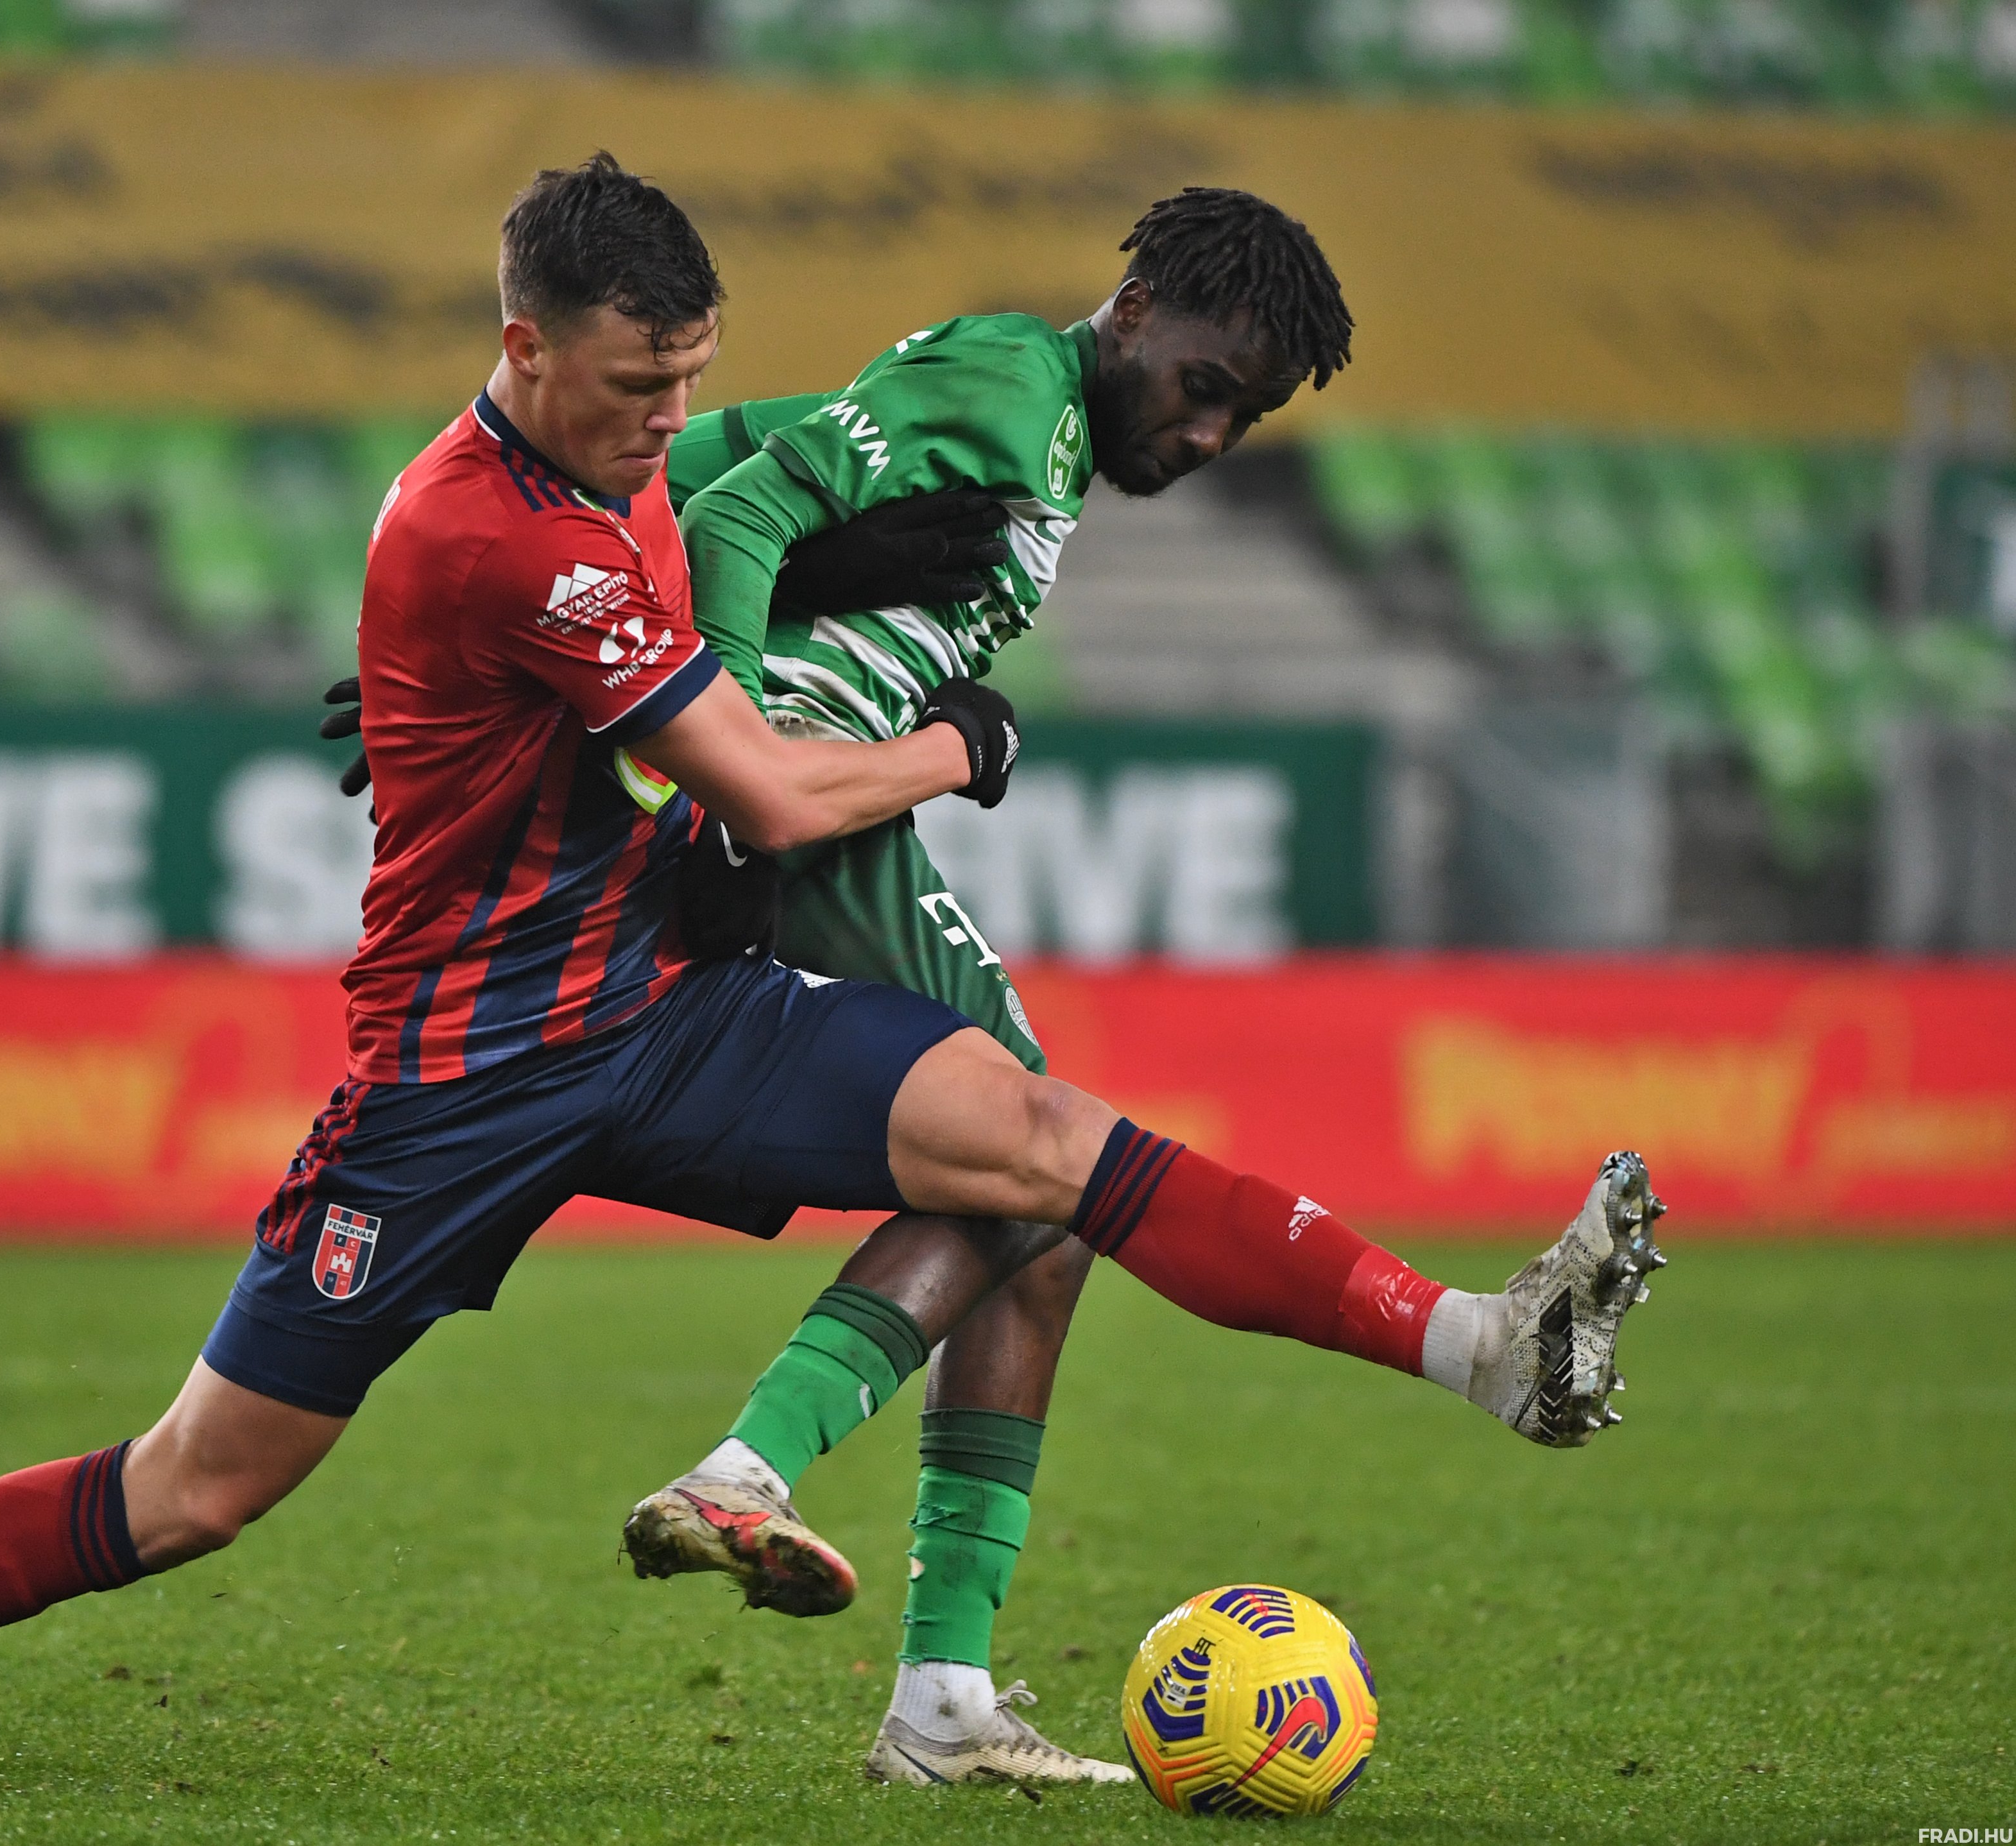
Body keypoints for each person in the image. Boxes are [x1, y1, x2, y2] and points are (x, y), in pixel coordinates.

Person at [0, 155, 1653, 1782]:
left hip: (661, 1009)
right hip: (459, 1074)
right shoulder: (504, 537)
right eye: (636, 388)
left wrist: (782, 528)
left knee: (1036, 1141)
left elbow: (750, 470)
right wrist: (956, 744)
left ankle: (1472, 1344)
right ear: (524, 346)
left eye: (685, 379)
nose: (669, 420)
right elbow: (764, 792)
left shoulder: (617, 471)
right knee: (195, 1485)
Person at [612, 190, 1666, 1784]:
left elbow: (692, 464)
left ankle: (940, 1698)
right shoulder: (1003, 379)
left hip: (836, 795)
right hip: (797, 789)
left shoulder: (1020, 424)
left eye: (1245, 415)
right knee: (1046, 1157)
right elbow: (740, 513)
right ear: (1138, 308)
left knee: (1040, 1216)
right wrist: (732, 775)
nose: (1212, 432)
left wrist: (522, 631)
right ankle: (1475, 1346)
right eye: (1202, 385)